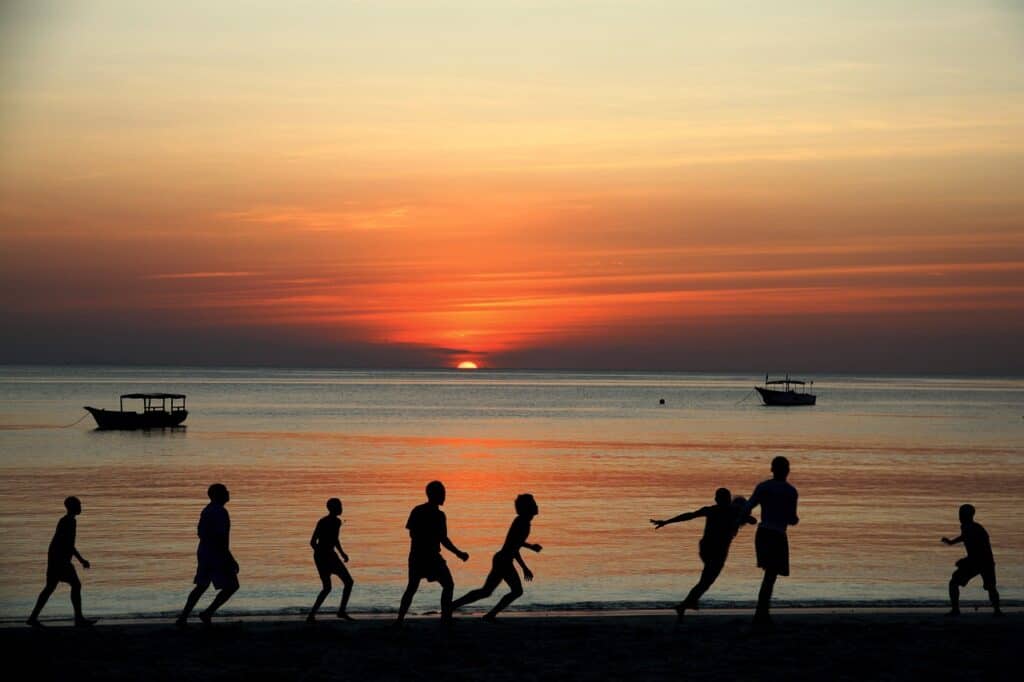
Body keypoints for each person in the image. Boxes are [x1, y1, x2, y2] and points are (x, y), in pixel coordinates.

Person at [651, 488, 756, 622]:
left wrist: (666, 522)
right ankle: (685, 605)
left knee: (706, 580)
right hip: (718, 550)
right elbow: (753, 520)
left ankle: (688, 603)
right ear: (728, 499)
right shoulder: (733, 511)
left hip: (705, 548)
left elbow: (689, 515)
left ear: (716, 499)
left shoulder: (711, 510)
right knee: (706, 581)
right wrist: (743, 512)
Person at [452, 494, 543, 621]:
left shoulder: (523, 522)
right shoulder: (522, 522)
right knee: (514, 591)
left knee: (486, 591)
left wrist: (530, 547)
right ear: (528, 508)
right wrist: (524, 567)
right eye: (533, 503)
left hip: (502, 559)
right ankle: (487, 614)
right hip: (504, 560)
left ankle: (453, 606)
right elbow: (514, 546)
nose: (537, 505)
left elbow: (515, 542)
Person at [395, 481, 469, 626]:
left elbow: (413, 534)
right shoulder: (438, 515)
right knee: (447, 585)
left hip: (418, 555)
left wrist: (458, 553)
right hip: (429, 556)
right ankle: (445, 618)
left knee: (413, 588)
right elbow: (442, 539)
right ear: (434, 495)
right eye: (442, 493)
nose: (444, 496)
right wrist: (458, 553)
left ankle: (400, 620)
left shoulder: (418, 510)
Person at [742, 456, 799, 628]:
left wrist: (744, 518)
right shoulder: (790, 491)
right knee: (770, 576)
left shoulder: (764, 487)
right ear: (787, 470)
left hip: (763, 532)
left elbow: (748, 506)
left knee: (769, 574)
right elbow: (792, 519)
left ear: (772, 469)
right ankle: (761, 614)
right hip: (777, 534)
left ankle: (762, 613)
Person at [26, 496, 95, 627]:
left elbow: (66, 544)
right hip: (60, 559)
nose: (81, 507)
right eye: (78, 505)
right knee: (75, 585)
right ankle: (79, 619)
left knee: (50, 588)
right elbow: (67, 544)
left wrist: (78, 559)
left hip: (56, 558)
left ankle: (32, 618)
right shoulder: (68, 522)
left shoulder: (68, 520)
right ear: (72, 507)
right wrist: (81, 560)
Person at [176, 483, 239, 627]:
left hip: (204, 552)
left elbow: (200, 533)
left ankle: (184, 617)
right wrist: (230, 559)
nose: (228, 493)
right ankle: (207, 613)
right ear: (218, 495)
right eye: (225, 491)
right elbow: (220, 538)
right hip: (216, 553)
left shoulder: (207, 510)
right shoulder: (220, 512)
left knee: (201, 585)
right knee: (232, 586)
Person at [942, 504, 1002, 616]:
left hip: (983, 561)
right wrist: (951, 542)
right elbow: (964, 537)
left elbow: (979, 549)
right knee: (990, 587)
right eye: (959, 514)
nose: (959, 517)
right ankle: (997, 611)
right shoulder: (968, 527)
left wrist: (965, 561)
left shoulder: (973, 528)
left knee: (954, 582)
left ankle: (956, 610)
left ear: (968, 516)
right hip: (983, 561)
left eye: (961, 514)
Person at [307, 497, 355, 622]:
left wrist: (342, 553)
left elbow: (335, 540)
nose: (341, 508)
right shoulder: (323, 522)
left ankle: (339, 611)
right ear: (333, 508)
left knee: (343, 584)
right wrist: (322, 554)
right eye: (339, 506)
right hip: (324, 556)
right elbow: (312, 542)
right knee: (333, 586)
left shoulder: (337, 522)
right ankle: (316, 614)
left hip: (328, 555)